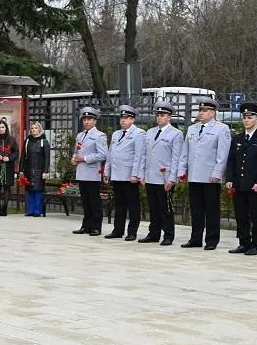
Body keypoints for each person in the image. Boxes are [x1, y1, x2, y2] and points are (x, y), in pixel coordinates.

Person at [178, 98, 231, 250]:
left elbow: (222, 155)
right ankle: (195, 238)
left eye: (205, 110)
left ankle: (212, 240)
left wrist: (217, 173)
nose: (201, 113)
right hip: (195, 175)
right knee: (196, 209)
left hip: (210, 177)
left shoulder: (221, 129)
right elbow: (185, 152)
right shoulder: (192, 129)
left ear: (213, 112)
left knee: (211, 210)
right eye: (200, 110)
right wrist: (182, 170)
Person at [225, 103, 257, 256]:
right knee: (240, 215)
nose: (247, 120)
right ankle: (243, 243)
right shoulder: (237, 138)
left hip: (254, 185)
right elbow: (231, 160)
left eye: (250, 117)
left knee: (256, 216)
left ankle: (255, 245)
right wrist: (230, 178)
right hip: (239, 183)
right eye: (245, 117)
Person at [140, 100, 183, 245]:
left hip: (164, 177)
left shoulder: (175, 134)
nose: (159, 117)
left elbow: (176, 158)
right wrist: (143, 174)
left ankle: (168, 235)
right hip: (151, 176)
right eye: (158, 115)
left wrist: (172, 179)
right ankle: (154, 233)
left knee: (166, 208)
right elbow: (144, 155)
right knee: (153, 207)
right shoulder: (150, 132)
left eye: (163, 115)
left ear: (169, 117)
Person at [103, 105, 146, 241]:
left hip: (129, 175)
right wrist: (107, 171)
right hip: (116, 174)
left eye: (126, 118)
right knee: (119, 204)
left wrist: (136, 174)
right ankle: (118, 230)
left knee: (133, 205)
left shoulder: (139, 133)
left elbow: (139, 156)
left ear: (132, 120)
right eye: (121, 117)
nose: (123, 120)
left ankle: (132, 232)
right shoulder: (116, 134)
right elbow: (111, 154)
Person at [71, 106, 108, 236]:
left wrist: (85, 158)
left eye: (89, 119)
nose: (86, 122)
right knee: (85, 201)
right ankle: (86, 225)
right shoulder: (80, 135)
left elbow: (103, 155)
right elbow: (76, 151)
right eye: (85, 119)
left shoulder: (99, 136)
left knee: (94, 201)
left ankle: (96, 227)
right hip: (81, 172)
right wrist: (74, 158)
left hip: (92, 172)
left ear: (95, 121)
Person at [19, 122, 50, 217]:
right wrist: (21, 170)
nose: (33, 130)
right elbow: (23, 156)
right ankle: (30, 210)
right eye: (32, 128)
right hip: (28, 170)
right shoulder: (27, 141)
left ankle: (38, 211)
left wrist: (45, 171)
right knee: (30, 191)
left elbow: (47, 158)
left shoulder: (43, 141)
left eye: (35, 128)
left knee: (38, 191)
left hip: (39, 170)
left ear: (39, 129)